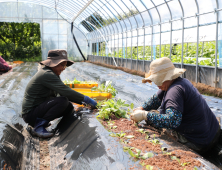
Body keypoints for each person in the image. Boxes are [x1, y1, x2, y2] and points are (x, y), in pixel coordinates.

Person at [130, 57, 220, 154]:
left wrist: (145, 115)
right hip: (214, 133)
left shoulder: (174, 91)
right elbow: (155, 99)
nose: (155, 83)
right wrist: (142, 108)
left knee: (152, 117)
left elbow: (172, 121)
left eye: (157, 79)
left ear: (165, 77)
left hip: (199, 142)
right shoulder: (178, 82)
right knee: (151, 113)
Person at [21, 49, 97, 138]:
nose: (64, 68)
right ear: (54, 63)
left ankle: (58, 127)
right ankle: (39, 126)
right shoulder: (46, 74)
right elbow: (65, 91)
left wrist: (82, 102)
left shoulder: (52, 74)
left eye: (65, 66)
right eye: (62, 65)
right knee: (63, 101)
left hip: (37, 110)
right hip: (30, 114)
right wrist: (87, 100)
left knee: (68, 106)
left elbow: (62, 93)